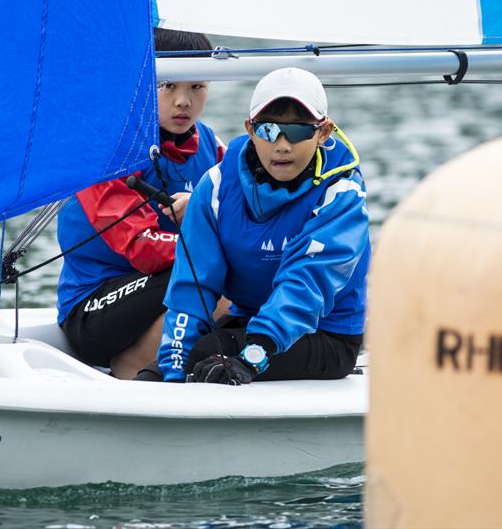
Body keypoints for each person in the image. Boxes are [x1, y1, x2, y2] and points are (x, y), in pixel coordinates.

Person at [153, 67, 370, 384]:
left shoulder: (342, 195)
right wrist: (170, 368)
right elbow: (194, 284)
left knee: (206, 353)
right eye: (268, 131)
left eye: (297, 131)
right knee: (165, 367)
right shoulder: (215, 186)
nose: (282, 145)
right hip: (250, 321)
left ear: (323, 133)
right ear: (250, 130)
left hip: (326, 336)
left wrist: (255, 356)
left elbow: (305, 286)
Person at [56, 28, 225, 379]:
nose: (183, 101)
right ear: (144, 82)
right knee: (210, 270)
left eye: (197, 87)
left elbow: (248, 218)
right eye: (168, 86)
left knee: (246, 272)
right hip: (93, 310)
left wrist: (201, 207)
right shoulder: (107, 153)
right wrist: (210, 241)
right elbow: (143, 247)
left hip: (158, 293)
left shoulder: (212, 145)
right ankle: (129, 368)